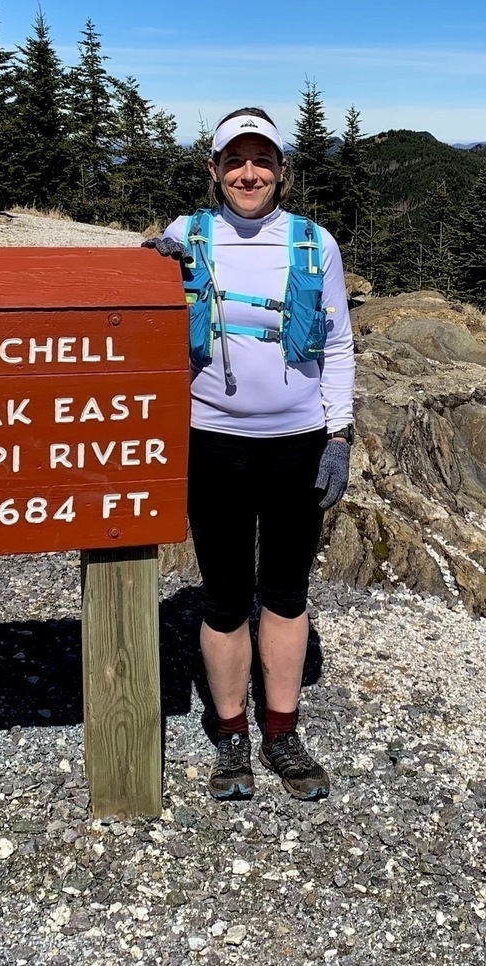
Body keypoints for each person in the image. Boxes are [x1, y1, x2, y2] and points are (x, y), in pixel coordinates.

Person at [149, 107, 354, 801]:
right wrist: (145, 272)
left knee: (288, 594)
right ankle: (231, 731)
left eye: (261, 160)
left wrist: (338, 434)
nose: (248, 173)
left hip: (297, 447)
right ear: (213, 170)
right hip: (214, 443)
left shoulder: (313, 243)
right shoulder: (186, 236)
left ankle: (281, 730)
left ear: (281, 171)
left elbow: (339, 345)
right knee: (227, 596)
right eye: (234, 161)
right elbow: (144, 316)